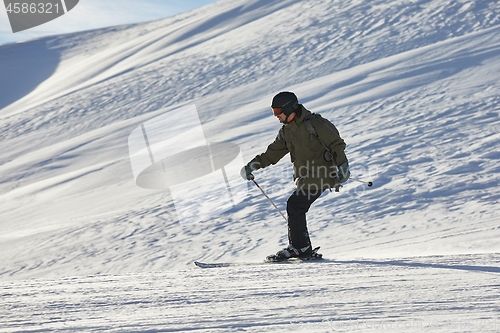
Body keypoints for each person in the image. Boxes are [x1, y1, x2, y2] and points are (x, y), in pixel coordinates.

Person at [240, 91, 350, 260]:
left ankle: (300, 248)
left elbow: (336, 143)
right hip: (304, 178)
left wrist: (343, 165)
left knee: (295, 205)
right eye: (273, 112)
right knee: (296, 207)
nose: (276, 116)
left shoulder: (315, 123)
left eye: (278, 111)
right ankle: (300, 247)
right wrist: (253, 165)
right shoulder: (286, 132)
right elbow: (272, 153)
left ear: (289, 108)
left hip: (322, 174)